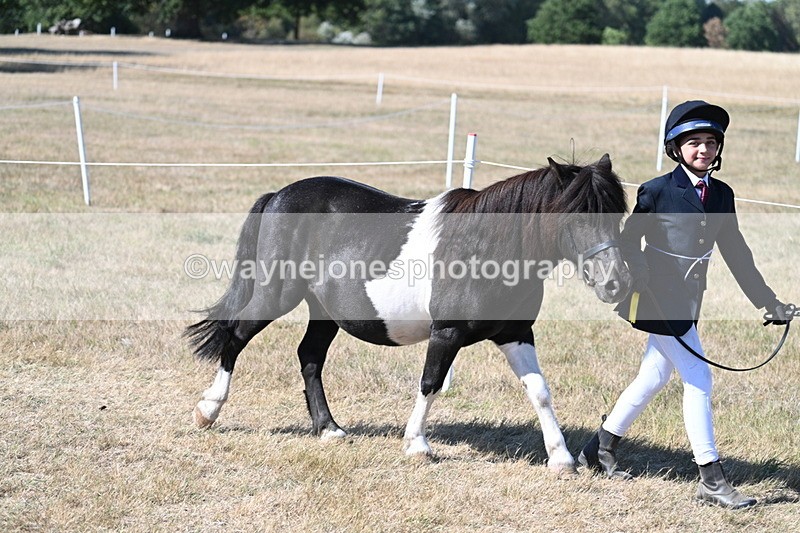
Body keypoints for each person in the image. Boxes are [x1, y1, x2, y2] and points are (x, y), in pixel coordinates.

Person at [578, 100, 792, 509]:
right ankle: (711, 479)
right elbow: (628, 240)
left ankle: (598, 448)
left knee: (653, 377)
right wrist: (639, 271)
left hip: (689, 301)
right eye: (694, 142)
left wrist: (769, 303)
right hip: (657, 300)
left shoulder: (722, 194)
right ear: (676, 148)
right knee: (698, 377)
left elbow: (737, 253)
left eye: (711, 142)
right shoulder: (656, 190)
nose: (704, 150)